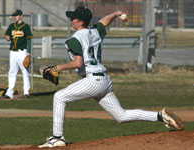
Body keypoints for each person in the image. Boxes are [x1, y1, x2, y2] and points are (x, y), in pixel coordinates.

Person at [38, 6, 184, 148]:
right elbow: (104, 22)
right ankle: (160, 116)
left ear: (80, 22)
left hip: (92, 80)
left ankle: (57, 138)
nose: (71, 21)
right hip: (104, 80)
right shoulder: (94, 32)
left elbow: (78, 63)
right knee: (121, 115)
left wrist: (58, 68)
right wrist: (115, 14)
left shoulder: (74, 39)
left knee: (59, 97)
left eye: (74, 19)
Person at [3, 9, 33, 99]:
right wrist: (7, 37)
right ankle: (9, 93)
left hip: (22, 51)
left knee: (25, 71)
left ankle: (26, 92)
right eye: (14, 16)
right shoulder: (11, 26)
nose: (15, 17)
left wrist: (29, 52)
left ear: (21, 16)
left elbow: (29, 39)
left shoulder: (26, 26)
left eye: (16, 15)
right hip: (13, 52)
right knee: (12, 71)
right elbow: (7, 35)